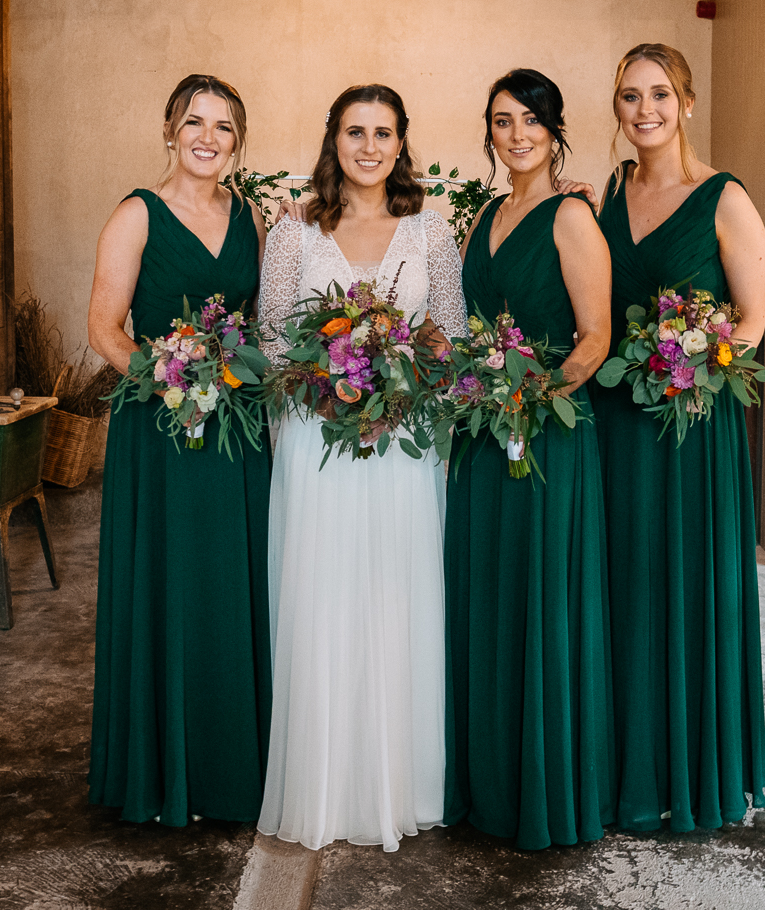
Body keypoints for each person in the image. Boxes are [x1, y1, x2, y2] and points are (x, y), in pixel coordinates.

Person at [256, 84, 469, 852]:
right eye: (355, 131)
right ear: (333, 139)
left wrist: (399, 381)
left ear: (403, 141)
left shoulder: (432, 233)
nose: (369, 147)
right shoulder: (294, 233)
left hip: (401, 449)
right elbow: (273, 339)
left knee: (395, 598)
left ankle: (404, 781)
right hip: (320, 445)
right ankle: (326, 783)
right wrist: (329, 389)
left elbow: (451, 337)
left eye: (384, 133)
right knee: (324, 598)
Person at [592, 43, 765, 833]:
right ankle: (626, 761)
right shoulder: (609, 190)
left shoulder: (724, 197)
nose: (645, 110)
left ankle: (692, 766)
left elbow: (754, 322)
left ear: (687, 103)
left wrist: (692, 363)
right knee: (624, 587)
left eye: (660, 95)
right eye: (630, 97)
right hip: (614, 428)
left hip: (691, 425)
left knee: (686, 585)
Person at [86, 74, 272, 825]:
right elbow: (103, 331)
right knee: (171, 582)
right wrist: (175, 379)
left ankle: (234, 766)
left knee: (231, 585)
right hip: (164, 430)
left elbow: (260, 320)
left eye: (224, 127)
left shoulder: (251, 216)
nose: (208, 137)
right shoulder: (136, 214)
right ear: (170, 130)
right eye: (195, 122)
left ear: (237, 142)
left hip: (236, 433)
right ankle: (164, 768)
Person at [443, 69, 617, 850]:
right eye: (502, 121)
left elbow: (595, 339)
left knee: (540, 601)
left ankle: (542, 788)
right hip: (485, 435)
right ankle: (487, 779)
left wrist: (532, 396)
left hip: (544, 432)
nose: (516, 135)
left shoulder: (573, 216)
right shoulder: (485, 213)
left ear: (555, 129)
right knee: (487, 597)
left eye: (531, 121)